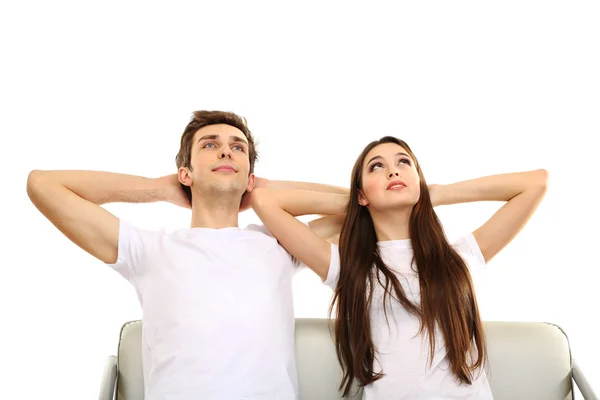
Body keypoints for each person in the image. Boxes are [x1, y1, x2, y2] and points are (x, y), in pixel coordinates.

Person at [26, 110, 346, 400]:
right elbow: (43, 184)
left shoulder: (281, 244)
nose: (225, 151)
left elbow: (361, 207)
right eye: (209, 145)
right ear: (185, 174)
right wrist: (158, 188)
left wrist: (267, 191)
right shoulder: (148, 250)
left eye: (238, 148)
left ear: (249, 177)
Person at [251, 136, 548, 399]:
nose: (393, 170)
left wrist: (436, 194)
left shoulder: (458, 258)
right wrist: (356, 203)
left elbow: (536, 183)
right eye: (376, 167)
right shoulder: (347, 265)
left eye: (404, 162)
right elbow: (264, 200)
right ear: (360, 193)